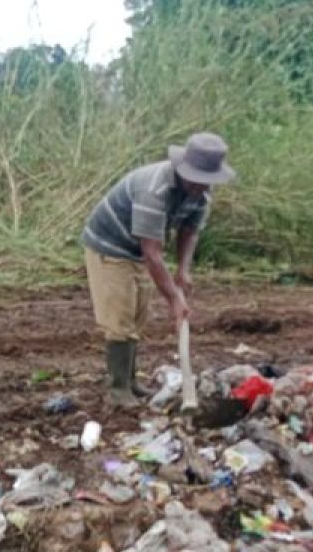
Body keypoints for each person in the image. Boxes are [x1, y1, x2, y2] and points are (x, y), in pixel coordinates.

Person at [81, 132, 236, 409]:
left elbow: (190, 232)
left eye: (206, 181)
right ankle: (118, 390)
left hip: (137, 250)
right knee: (120, 319)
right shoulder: (154, 189)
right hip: (109, 245)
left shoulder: (200, 194)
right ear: (183, 169)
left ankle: (130, 382)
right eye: (197, 179)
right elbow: (152, 252)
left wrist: (183, 271)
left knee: (137, 316)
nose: (202, 186)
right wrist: (174, 297)